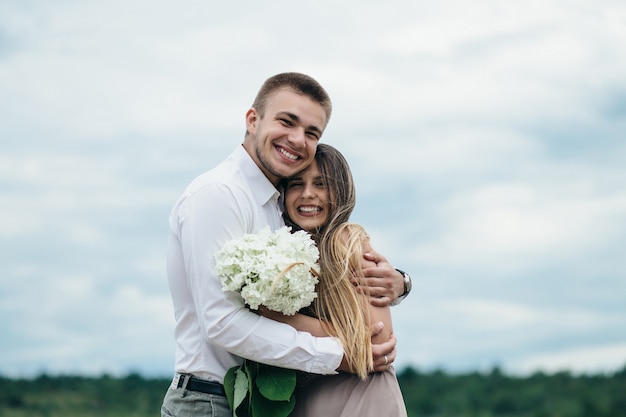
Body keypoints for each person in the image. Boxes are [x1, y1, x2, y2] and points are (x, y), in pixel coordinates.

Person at [161, 72, 409, 416]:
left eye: (311, 132)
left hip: (266, 403)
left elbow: (334, 282)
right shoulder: (219, 194)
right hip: (211, 400)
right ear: (252, 120)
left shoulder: (280, 208)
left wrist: (398, 282)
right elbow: (220, 322)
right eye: (287, 121)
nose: (297, 139)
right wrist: (338, 354)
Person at [261, 143, 407, 416]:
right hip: (306, 398)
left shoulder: (347, 240)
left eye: (321, 184)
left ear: (340, 191)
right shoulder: (283, 256)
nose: (308, 195)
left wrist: (276, 319)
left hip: (360, 395)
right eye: (296, 184)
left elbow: (375, 341)